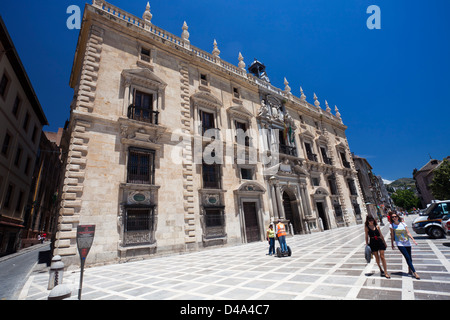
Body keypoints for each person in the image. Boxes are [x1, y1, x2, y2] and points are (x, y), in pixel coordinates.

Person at [389, 211, 420, 279]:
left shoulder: (403, 224)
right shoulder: (392, 225)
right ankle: (415, 272)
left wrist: (413, 239)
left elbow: (408, 232)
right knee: (407, 257)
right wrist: (392, 244)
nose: (394, 218)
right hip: (399, 243)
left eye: (395, 216)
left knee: (410, 257)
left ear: (398, 217)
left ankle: (409, 270)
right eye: (393, 217)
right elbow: (392, 235)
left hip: (407, 242)